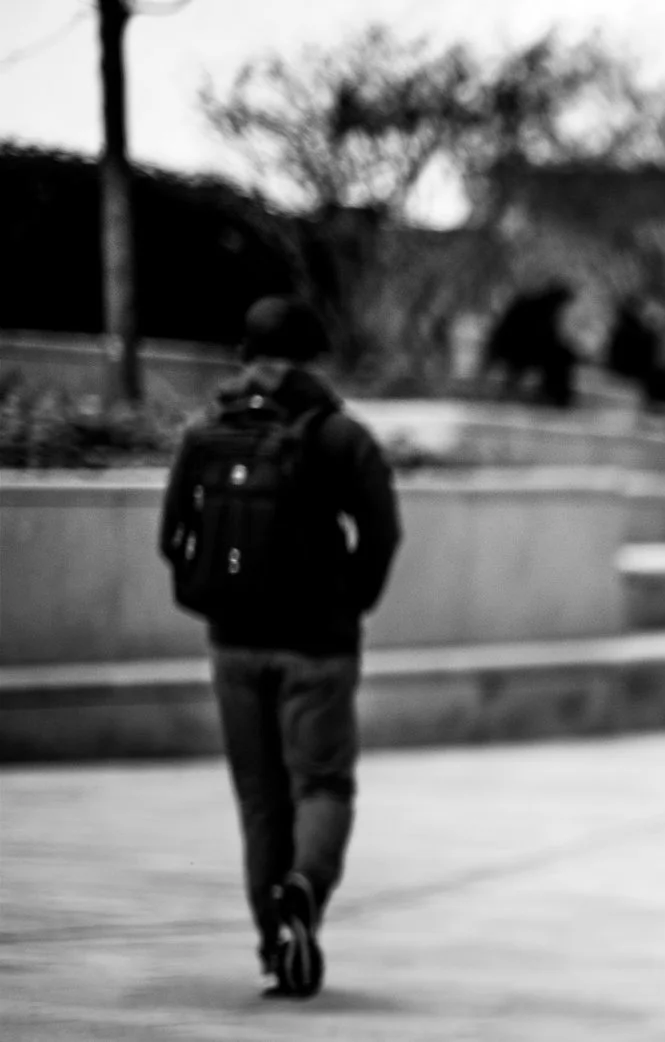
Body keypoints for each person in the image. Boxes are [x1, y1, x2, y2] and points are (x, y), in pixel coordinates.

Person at [158, 296, 402, 998]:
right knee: (322, 784)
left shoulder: (207, 432)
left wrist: (221, 594)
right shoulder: (338, 436)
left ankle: (274, 948)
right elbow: (382, 533)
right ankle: (305, 889)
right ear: (312, 354)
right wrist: (348, 601)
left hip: (233, 641)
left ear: (246, 354)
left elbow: (172, 537)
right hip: (317, 645)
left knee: (261, 801)